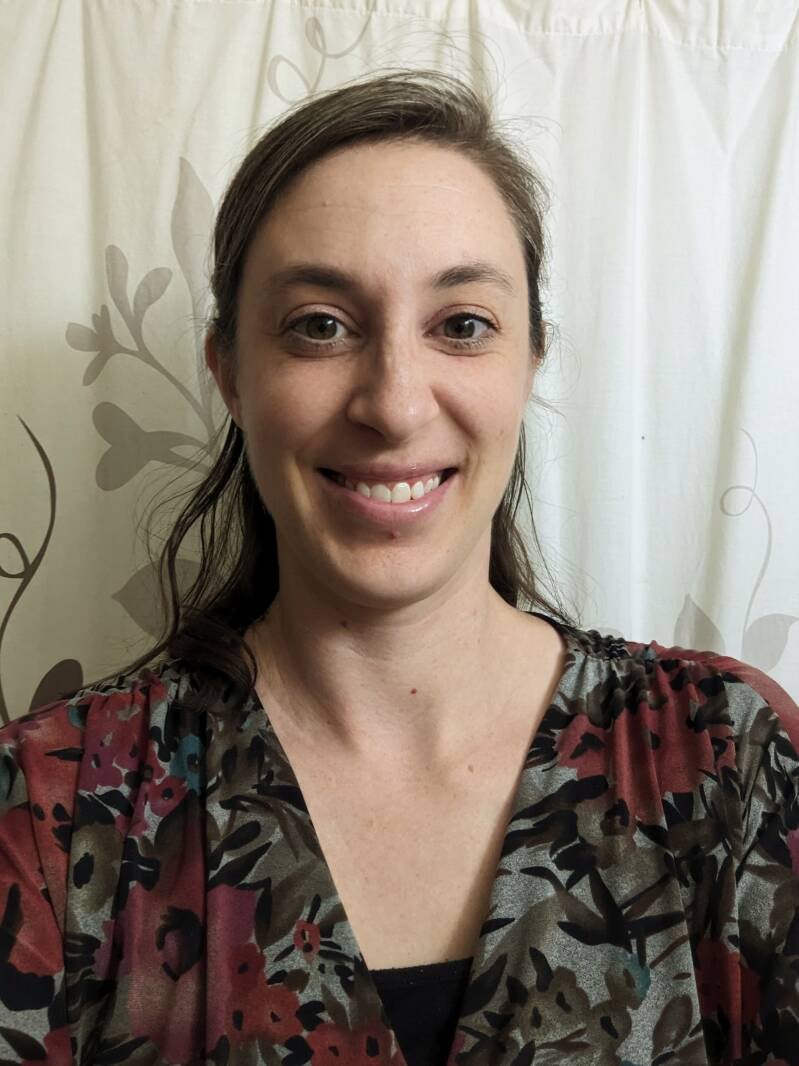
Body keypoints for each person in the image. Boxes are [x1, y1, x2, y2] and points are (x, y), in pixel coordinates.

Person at [1, 68, 797, 1066]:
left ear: (530, 361)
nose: (395, 404)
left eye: (461, 324)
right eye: (319, 325)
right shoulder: (53, 810)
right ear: (229, 373)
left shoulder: (729, 761)